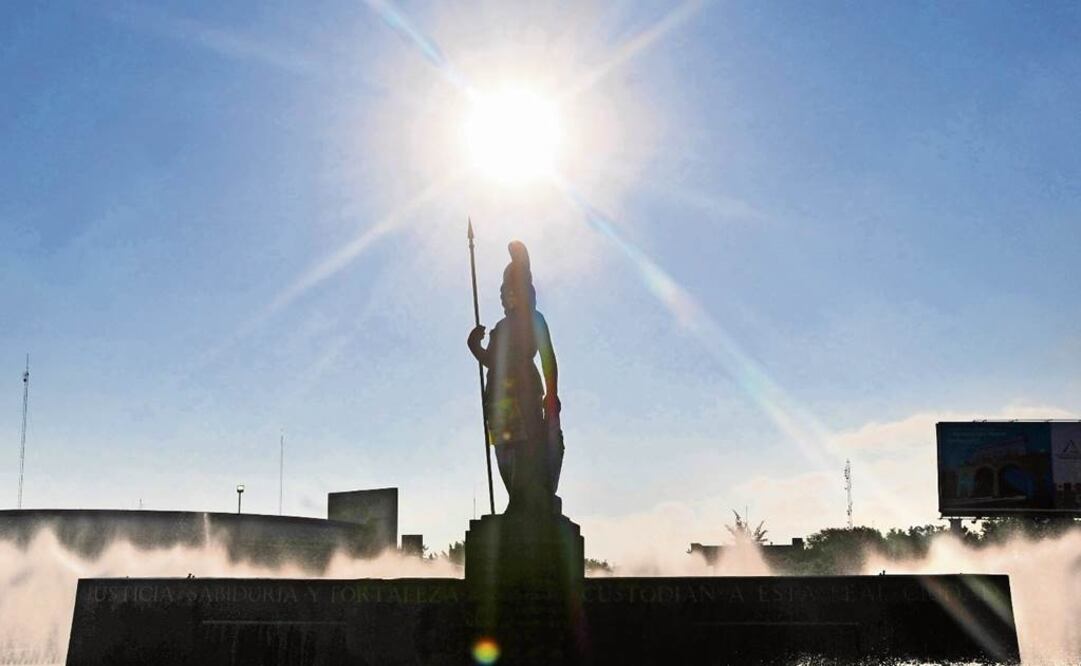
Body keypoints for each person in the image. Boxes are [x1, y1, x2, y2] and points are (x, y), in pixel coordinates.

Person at [468, 241, 563, 515]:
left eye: (511, 288)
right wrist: (475, 347)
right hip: (498, 396)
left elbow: (548, 358)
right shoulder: (500, 327)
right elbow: (492, 361)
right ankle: (515, 498)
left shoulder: (534, 319)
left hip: (525, 390)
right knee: (504, 448)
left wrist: (551, 393)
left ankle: (529, 500)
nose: (505, 295)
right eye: (503, 290)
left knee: (526, 445)